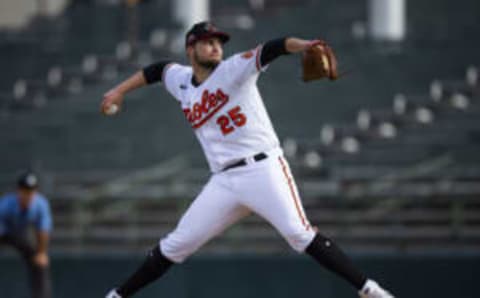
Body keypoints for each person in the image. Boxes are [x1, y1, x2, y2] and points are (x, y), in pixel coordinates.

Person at [101, 21, 394, 298]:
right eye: (207, 42)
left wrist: (305, 45)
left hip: (262, 169)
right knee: (177, 244)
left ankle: (369, 290)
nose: (216, 47)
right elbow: (156, 71)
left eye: (218, 42)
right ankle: (117, 295)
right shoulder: (180, 81)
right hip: (224, 181)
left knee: (299, 234)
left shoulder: (233, 69)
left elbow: (274, 47)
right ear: (190, 50)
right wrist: (118, 90)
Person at [0, 171, 53, 298]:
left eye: (31, 191)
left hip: (23, 237)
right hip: (4, 233)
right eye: (25, 190)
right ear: (19, 191)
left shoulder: (40, 204)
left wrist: (41, 252)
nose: (28, 195)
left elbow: (43, 230)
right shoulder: (7, 204)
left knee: (39, 262)